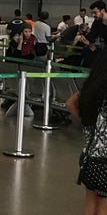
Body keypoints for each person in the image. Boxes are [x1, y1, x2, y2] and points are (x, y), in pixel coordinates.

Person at [66, 50, 107, 215]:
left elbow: (70, 103)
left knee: (90, 203)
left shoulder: (91, 87)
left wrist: (86, 123)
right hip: (106, 160)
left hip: (89, 157)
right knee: (104, 207)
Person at [76, 1, 107, 67]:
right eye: (92, 13)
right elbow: (92, 35)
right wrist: (87, 40)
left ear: (103, 10)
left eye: (95, 12)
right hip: (99, 51)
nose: (93, 15)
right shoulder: (96, 22)